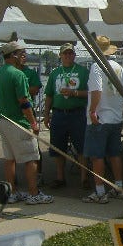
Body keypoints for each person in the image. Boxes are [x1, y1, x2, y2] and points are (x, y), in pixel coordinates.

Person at [0, 41, 53, 204]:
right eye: (22, 54)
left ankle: (12, 192)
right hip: (18, 122)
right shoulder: (18, 74)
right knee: (31, 157)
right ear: (13, 55)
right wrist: (33, 123)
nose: (24, 57)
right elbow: (24, 102)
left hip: (2, 121)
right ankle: (33, 194)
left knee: (9, 158)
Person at [82, 35, 123, 204]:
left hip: (100, 118)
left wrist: (92, 110)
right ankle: (118, 187)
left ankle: (100, 191)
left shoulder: (96, 66)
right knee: (115, 154)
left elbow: (97, 90)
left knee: (97, 156)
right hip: (115, 117)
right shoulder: (119, 67)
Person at [43, 43, 90, 189]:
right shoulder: (55, 73)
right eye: (65, 54)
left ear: (74, 55)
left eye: (71, 53)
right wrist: (46, 114)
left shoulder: (83, 72)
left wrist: (74, 93)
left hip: (77, 114)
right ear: (60, 56)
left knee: (82, 147)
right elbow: (49, 95)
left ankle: (84, 178)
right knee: (57, 147)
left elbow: (91, 93)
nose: (68, 56)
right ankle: (60, 177)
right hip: (58, 114)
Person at [18, 53, 44, 185]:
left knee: (34, 145)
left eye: (24, 55)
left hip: (29, 110)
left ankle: (38, 174)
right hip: (13, 113)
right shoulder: (10, 72)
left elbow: (35, 89)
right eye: (19, 55)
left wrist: (20, 91)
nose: (23, 57)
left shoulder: (30, 73)